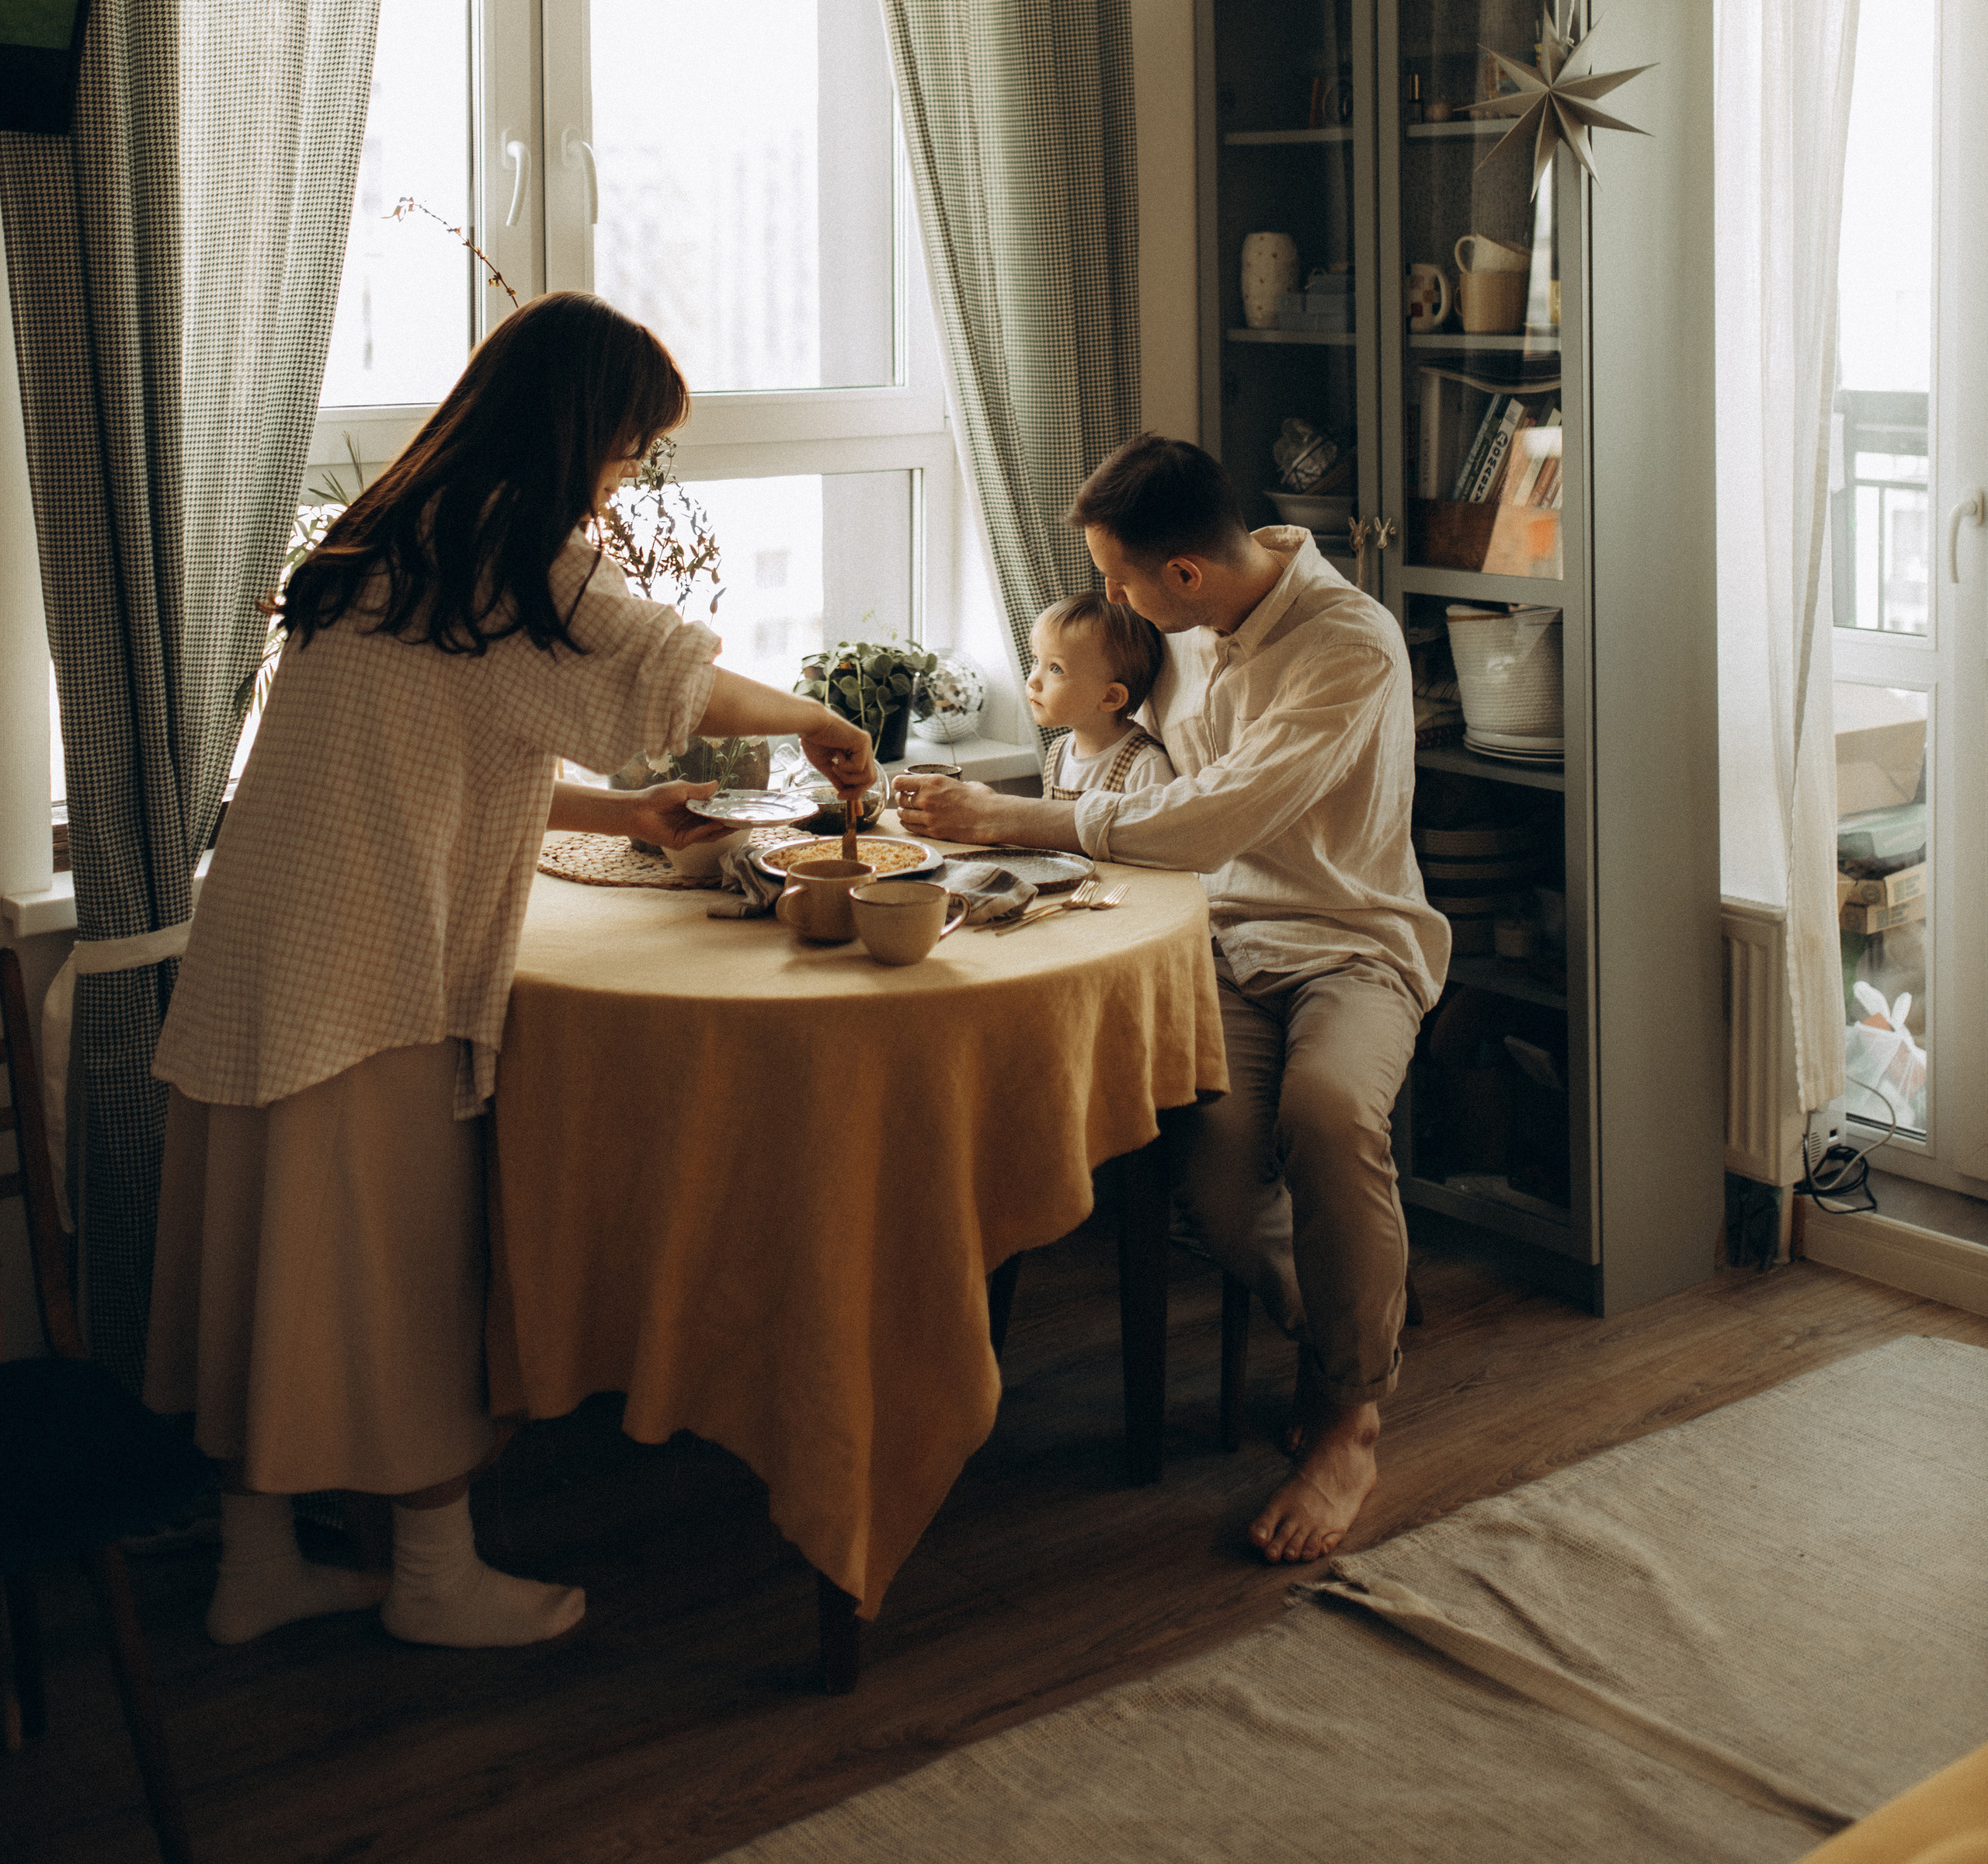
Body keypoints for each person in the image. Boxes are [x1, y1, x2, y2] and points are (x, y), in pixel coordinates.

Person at [146, 292, 876, 1651]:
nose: (625, 477)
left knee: (271, 1268)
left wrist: (623, 813)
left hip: (260, 959)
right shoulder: (511, 555)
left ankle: (257, 1563)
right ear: (578, 429)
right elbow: (669, 674)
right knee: (398, 1272)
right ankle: (433, 1576)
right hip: (363, 973)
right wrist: (819, 719)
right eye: (628, 447)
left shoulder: (386, 542)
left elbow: (439, 751)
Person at [897, 434, 1445, 1568]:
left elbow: (1211, 818)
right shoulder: (1187, 635)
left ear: (1185, 573)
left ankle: (1349, 1421)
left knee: (1330, 1115)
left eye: (1119, 579)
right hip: (1222, 943)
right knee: (1214, 1176)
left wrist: (1009, 817)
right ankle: (1347, 1326)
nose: (1115, 602)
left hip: (1350, 943)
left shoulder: (1349, 645)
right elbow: (1131, 769)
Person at [1026, 591, 1173, 799]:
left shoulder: (1145, 766)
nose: (1033, 680)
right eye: (1036, 660)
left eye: (1056, 669)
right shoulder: (1058, 751)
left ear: (1110, 697)